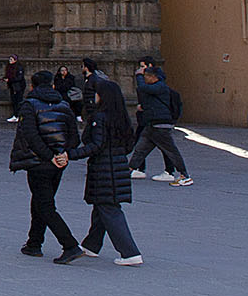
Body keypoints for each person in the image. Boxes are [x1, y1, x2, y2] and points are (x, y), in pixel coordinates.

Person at [67, 69, 143, 265]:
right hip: (116, 166)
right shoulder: (122, 118)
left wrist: (71, 154)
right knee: (102, 207)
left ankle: (130, 252)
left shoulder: (100, 118)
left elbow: (96, 145)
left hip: (104, 169)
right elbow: (128, 145)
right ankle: (92, 245)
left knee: (109, 208)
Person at [10, 70, 82, 261]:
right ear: (52, 85)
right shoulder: (65, 105)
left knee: (45, 205)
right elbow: (74, 136)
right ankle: (34, 242)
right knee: (41, 201)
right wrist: (63, 155)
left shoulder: (29, 106)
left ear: (32, 86)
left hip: (38, 162)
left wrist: (50, 156)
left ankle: (70, 245)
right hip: (58, 163)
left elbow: (31, 136)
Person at [127, 64, 193, 185]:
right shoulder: (154, 87)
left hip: (161, 125)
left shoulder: (160, 87)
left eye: (147, 76)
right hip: (152, 124)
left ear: (154, 77)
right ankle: (128, 170)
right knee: (140, 150)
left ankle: (185, 175)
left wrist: (139, 76)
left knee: (171, 151)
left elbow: (142, 88)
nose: (145, 78)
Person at [3, 55, 27, 122]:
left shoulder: (18, 68)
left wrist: (9, 80)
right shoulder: (10, 67)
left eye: (11, 59)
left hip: (18, 87)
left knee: (18, 101)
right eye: (9, 59)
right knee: (14, 101)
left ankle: (17, 115)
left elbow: (19, 78)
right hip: (13, 86)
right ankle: (16, 115)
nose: (10, 60)